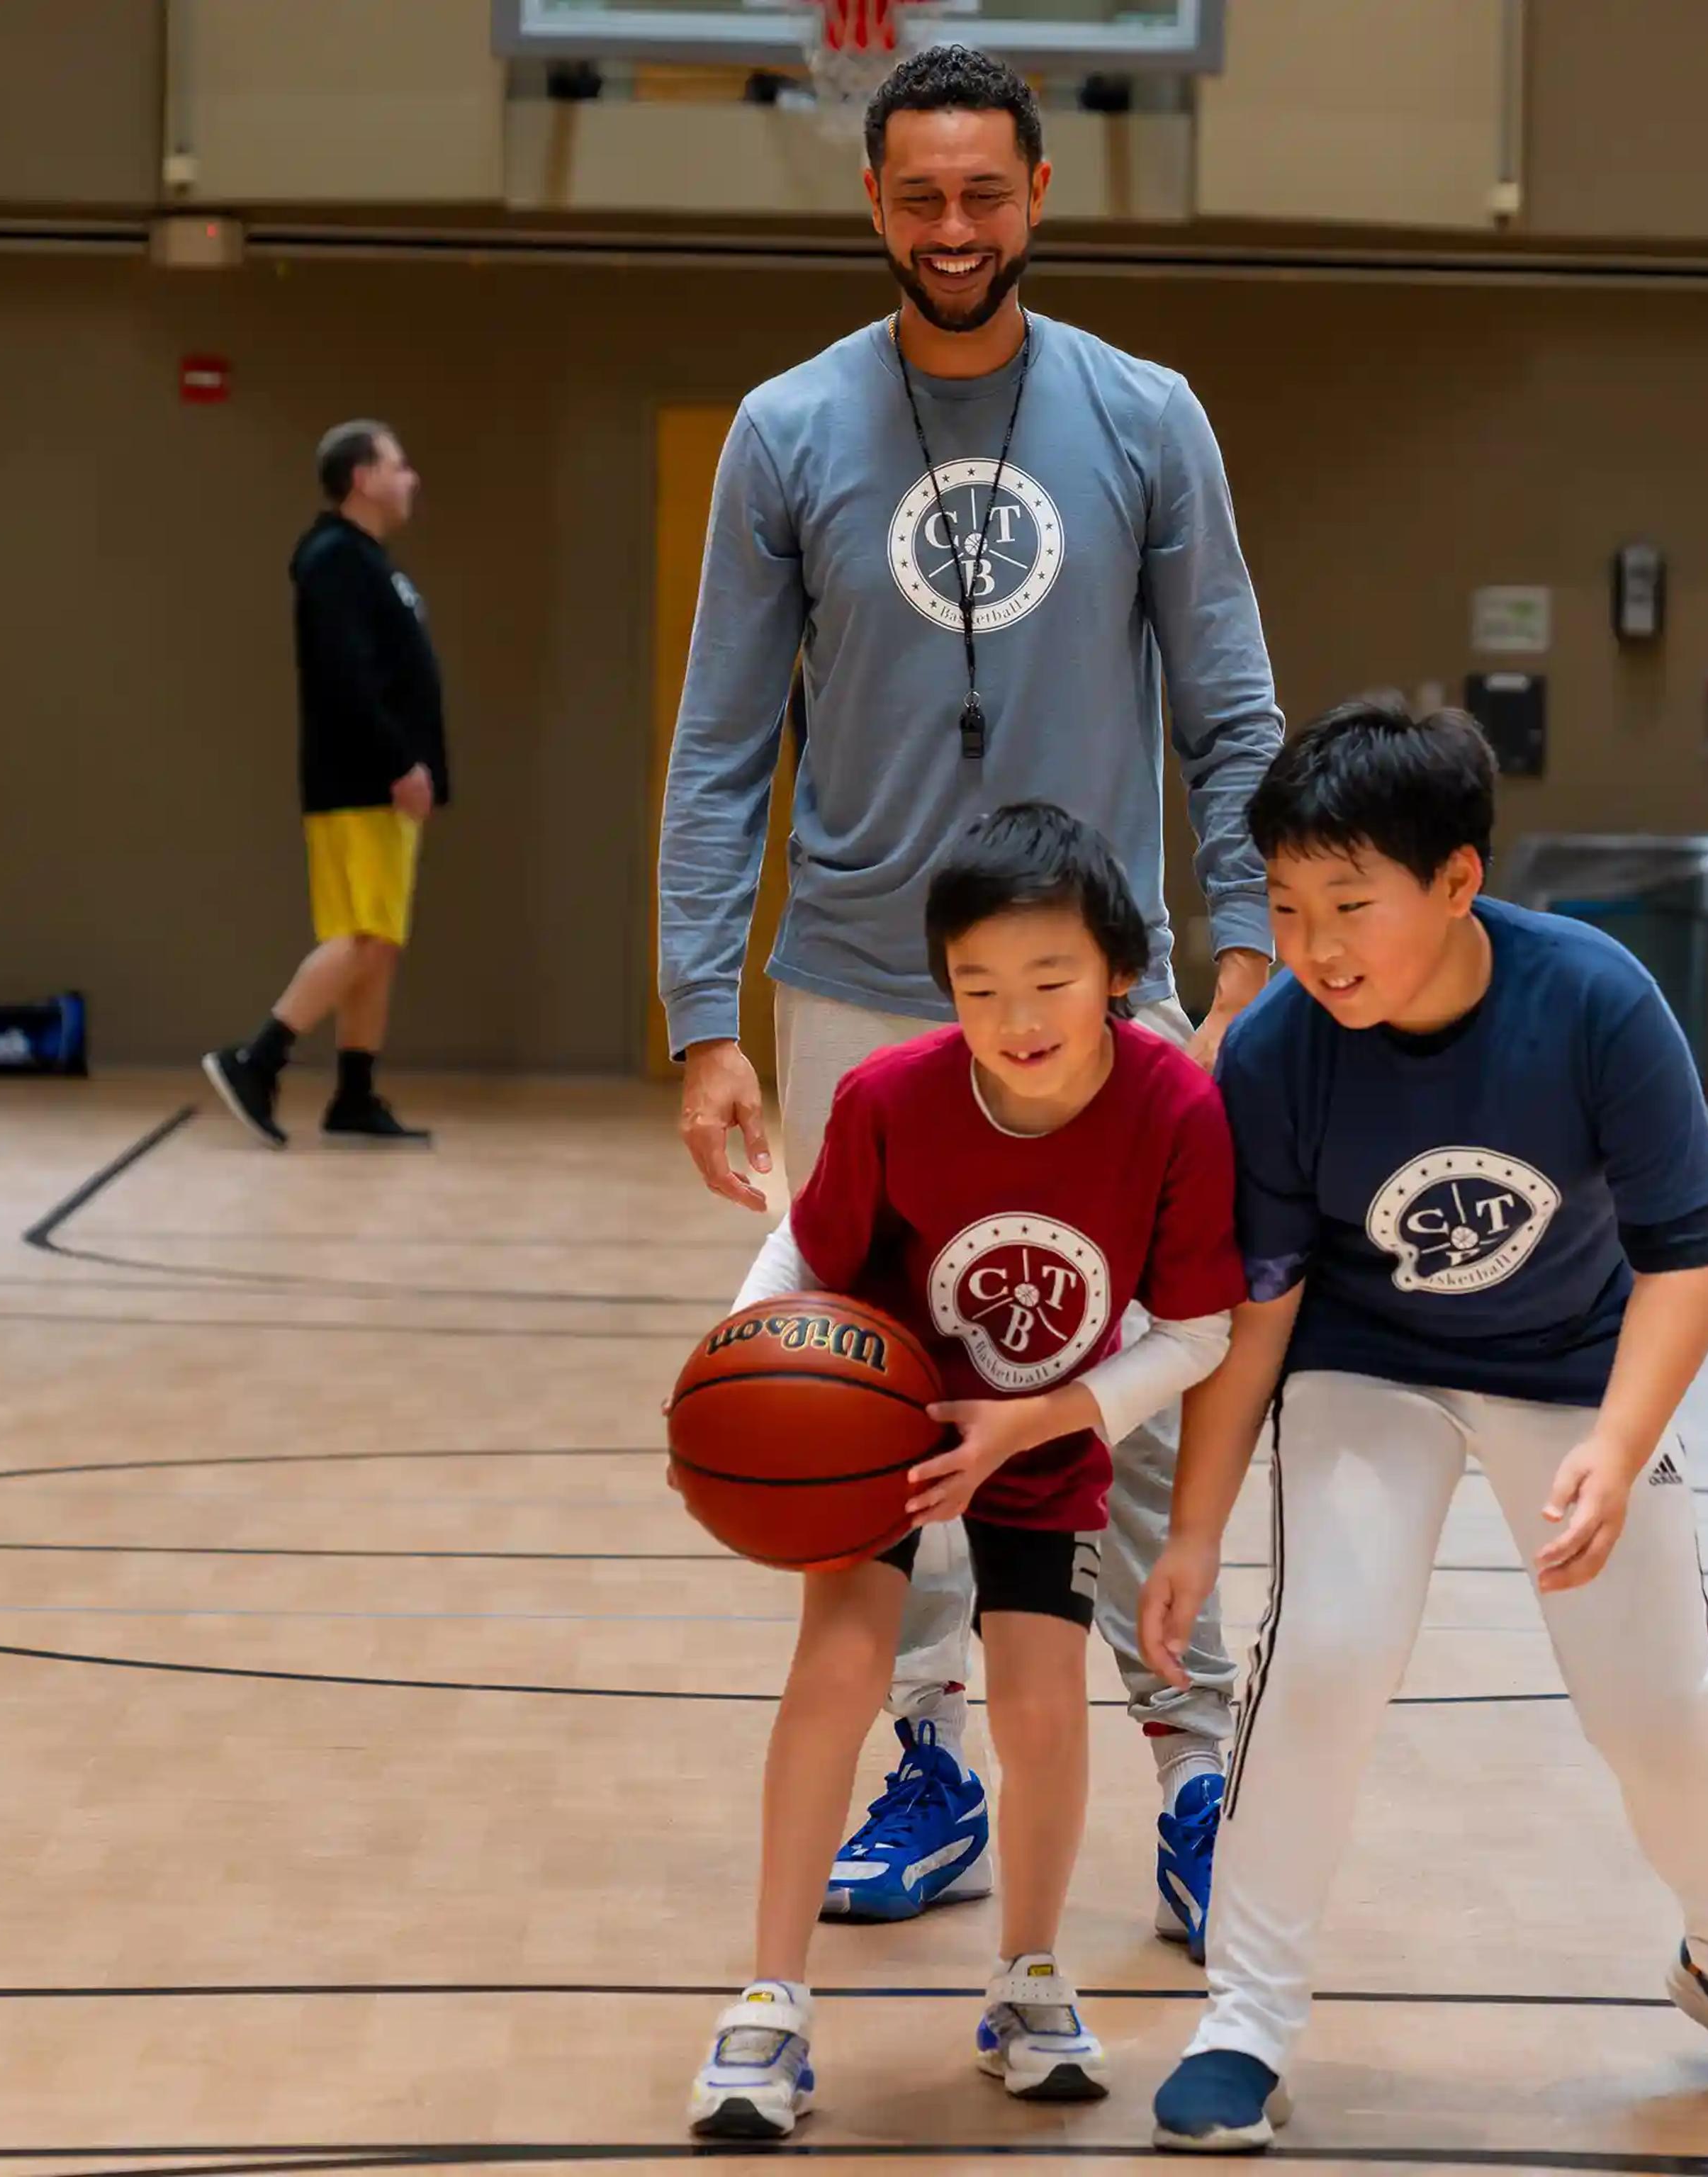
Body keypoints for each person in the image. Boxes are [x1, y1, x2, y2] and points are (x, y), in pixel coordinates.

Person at [657, 43, 1281, 1948]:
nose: (953, 228)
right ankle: (926, 1755)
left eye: (985, 194)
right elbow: (716, 751)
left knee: (1142, 1404)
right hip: (854, 985)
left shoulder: (1149, 416)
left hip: (1115, 998)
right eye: (920, 198)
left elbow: (1233, 705)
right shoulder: (787, 431)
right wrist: (704, 1017)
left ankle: (1193, 1774)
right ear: (874, 206)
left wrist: (1240, 953)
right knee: (880, 1395)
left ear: (1036, 196)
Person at [1137, 700, 1708, 2151]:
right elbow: (1263, 1312)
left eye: (1351, 904)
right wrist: (1196, 1530)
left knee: (1655, 1700)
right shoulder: (1277, 1051)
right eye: (1286, 906)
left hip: (1582, 1365)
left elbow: (1686, 1262)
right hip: (1367, 1360)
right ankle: (1249, 2015)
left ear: (1457, 883)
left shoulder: (1595, 1001)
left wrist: (1619, 1439)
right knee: (1326, 1655)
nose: (1316, 943)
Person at [685, 806, 1245, 2141]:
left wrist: (1045, 1417)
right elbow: (805, 1262)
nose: (1017, 1014)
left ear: (1118, 971)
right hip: (878, 1423)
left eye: (1049, 980)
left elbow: (1198, 1333)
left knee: (1045, 1703)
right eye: (980, 987)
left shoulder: (1176, 1107)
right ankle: (771, 1997)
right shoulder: (891, 1098)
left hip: (1041, 1426)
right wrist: (739, 1359)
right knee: (834, 1672)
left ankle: (1028, 1977)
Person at [203, 420, 443, 1147]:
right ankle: (257, 1057)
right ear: (363, 478)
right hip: (362, 780)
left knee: (379, 941)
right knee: (366, 937)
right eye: (399, 466)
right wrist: (398, 760)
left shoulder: (368, 561)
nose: (412, 480)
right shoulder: (336, 559)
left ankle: (354, 1094)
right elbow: (347, 677)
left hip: (380, 781)